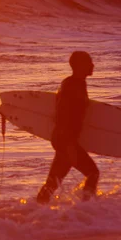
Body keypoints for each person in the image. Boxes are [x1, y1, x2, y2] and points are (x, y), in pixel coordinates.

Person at [36, 51, 99, 204]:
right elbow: (62, 116)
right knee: (93, 173)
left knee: (53, 183)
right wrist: (69, 145)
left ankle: (35, 210)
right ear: (78, 65)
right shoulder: (72, 85)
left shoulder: (76, 83)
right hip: (65, 139)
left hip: (64, 138)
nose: (93, 65)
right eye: (89, 62)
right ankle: (87, 208)